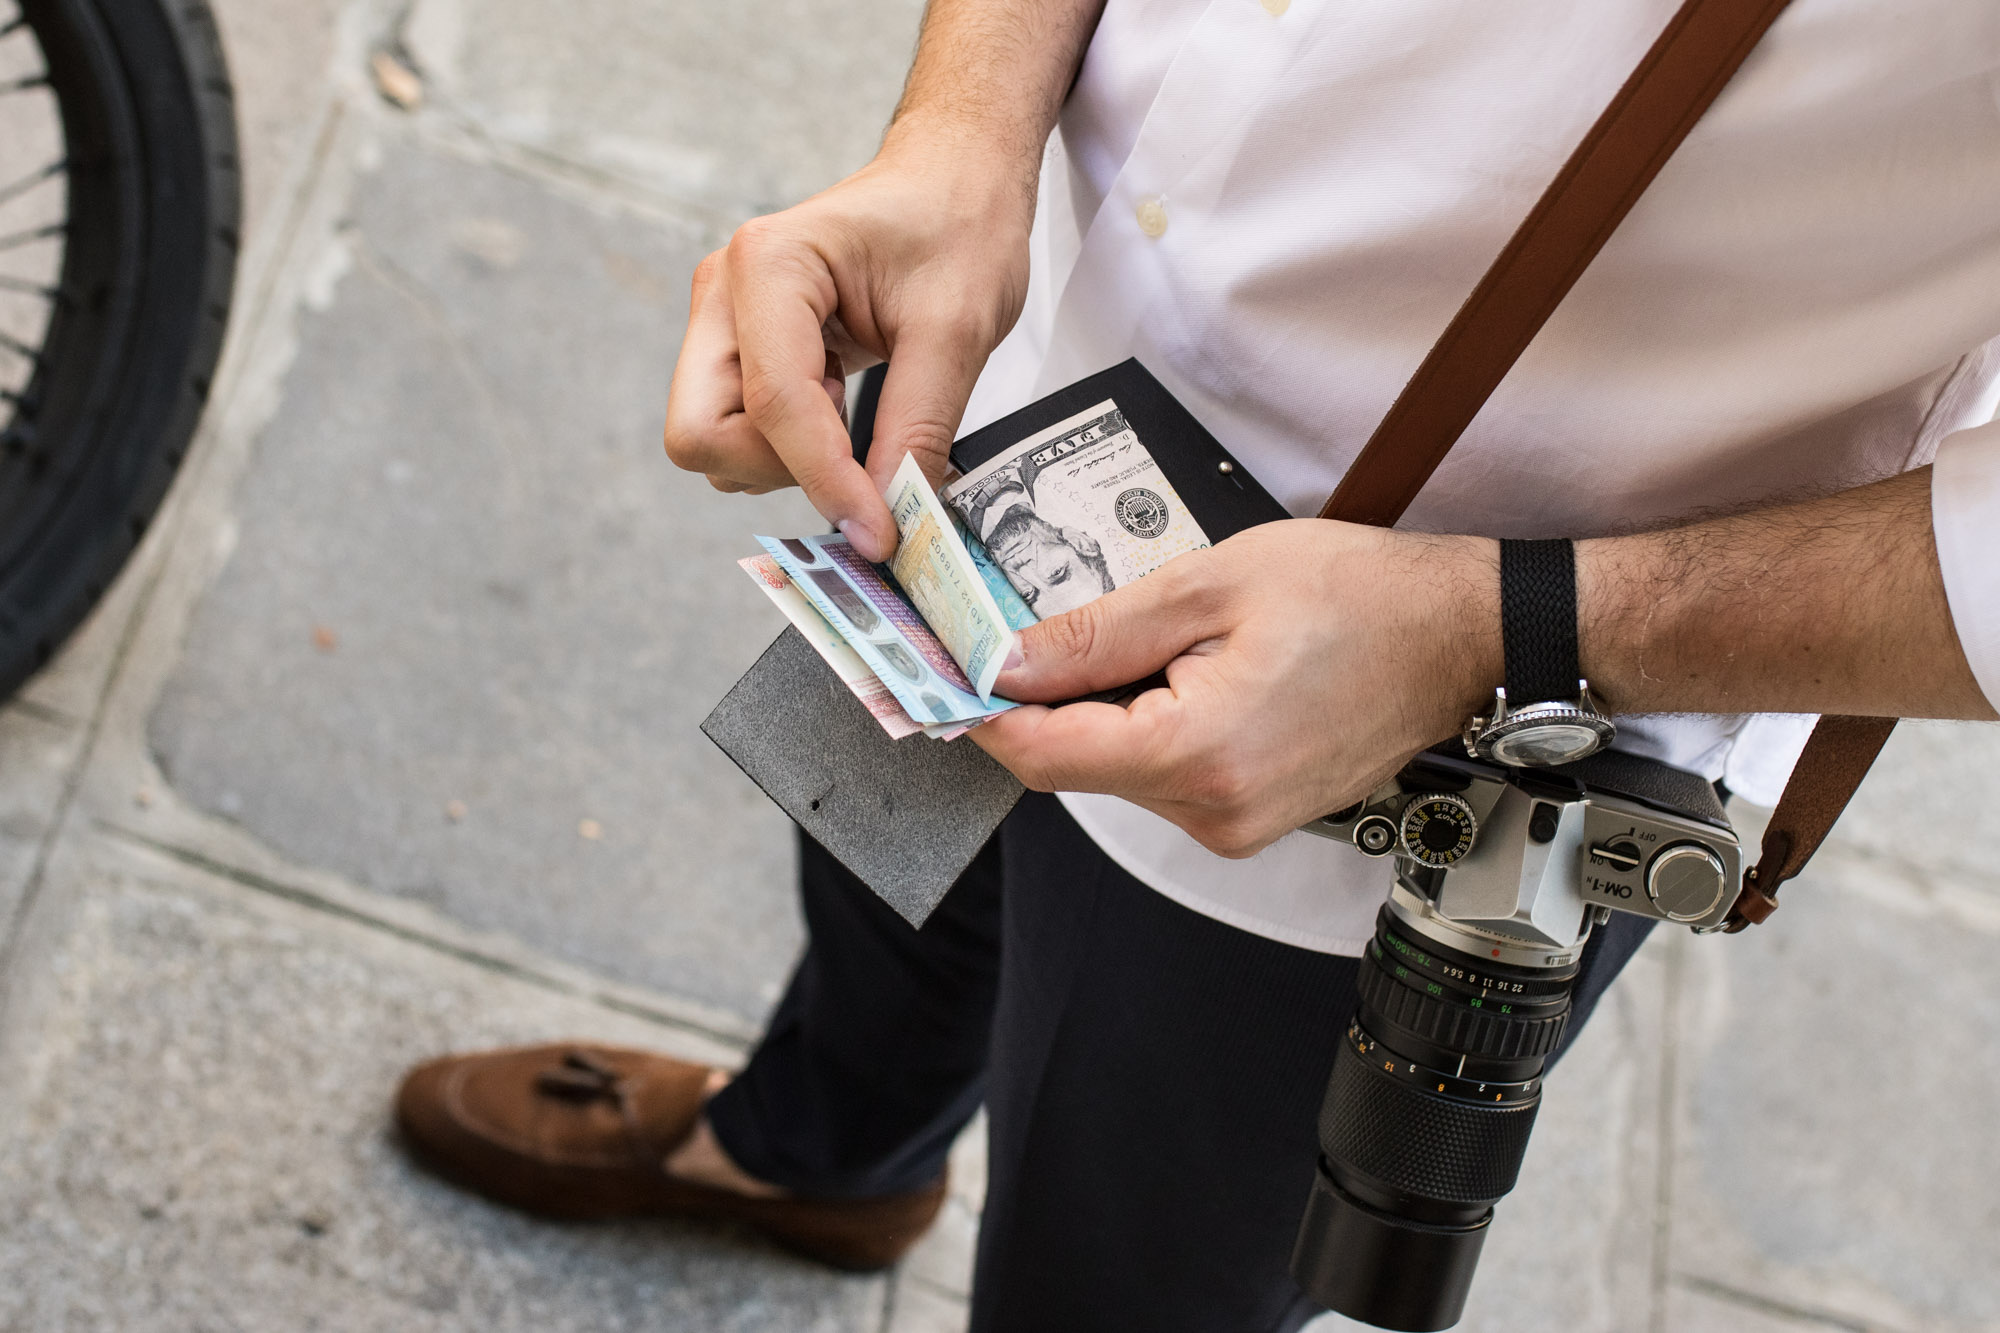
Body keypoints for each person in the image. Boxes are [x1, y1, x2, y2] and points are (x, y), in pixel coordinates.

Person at [394, 2, 2000, 1328]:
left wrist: (1488, 625)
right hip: (1016, 404)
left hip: (1411, 732)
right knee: (874, 899)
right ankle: (819, 1158)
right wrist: (962, 133)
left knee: (1119, 1281)